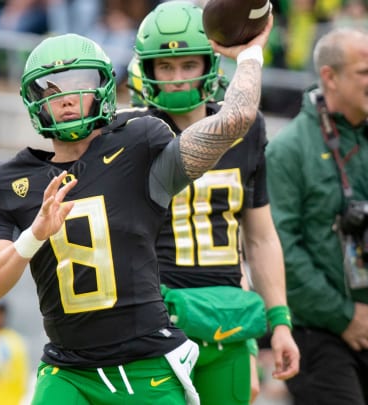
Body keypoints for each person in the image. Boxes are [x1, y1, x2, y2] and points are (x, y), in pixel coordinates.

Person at [0, 7, 273, 403]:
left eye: (81, 83)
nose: (68, 98)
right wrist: (33, 236)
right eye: (52, 88)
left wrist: (249, 56)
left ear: (105, 88)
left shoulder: (138, 147)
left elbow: (238, 118)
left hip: (148, 365)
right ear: (34, 100)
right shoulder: (9, 181)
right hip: (69, 371)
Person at [119, 2, 300, 404]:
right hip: (157, 320)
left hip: (227, 317)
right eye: (165, 67)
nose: (178, 78)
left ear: (210, 63)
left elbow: (260, 236)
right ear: (147, 73)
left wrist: (279, 323)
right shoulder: (133, 136)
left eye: (188, 64)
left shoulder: (249, 130)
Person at [265, 27, 368, 405]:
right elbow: (279, 249)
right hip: (315, 331)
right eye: (364, 72)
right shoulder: (289, 150)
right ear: (330, 77)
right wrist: (345, 316)